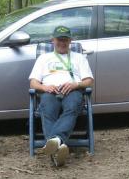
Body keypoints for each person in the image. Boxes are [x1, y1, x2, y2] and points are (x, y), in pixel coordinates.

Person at [29, 26, 94, 167]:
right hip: (49, 92)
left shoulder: (79, 58)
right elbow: (33, 83)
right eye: (59, 39)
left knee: (72, 107)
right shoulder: (43, 58)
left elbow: (89, 81)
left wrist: (76, 84)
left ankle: (55, 141)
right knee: (48, 109)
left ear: (70, 41)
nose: (62, 43)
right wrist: (45, 87)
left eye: (65, 40)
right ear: (53, 40)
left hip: (73, 91)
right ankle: (57, 148)